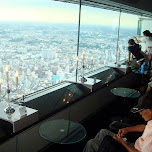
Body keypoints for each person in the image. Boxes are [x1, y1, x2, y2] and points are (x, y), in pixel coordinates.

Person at [83, 94, 152, 152]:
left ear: (149, 111)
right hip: (135, 145)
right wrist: (127, 129)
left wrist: (122, 142)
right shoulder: (150, 121)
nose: (140, 113)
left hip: (130, 149)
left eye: (142, 110)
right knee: (103, 132)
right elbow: (144, 127)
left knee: (91, 143)